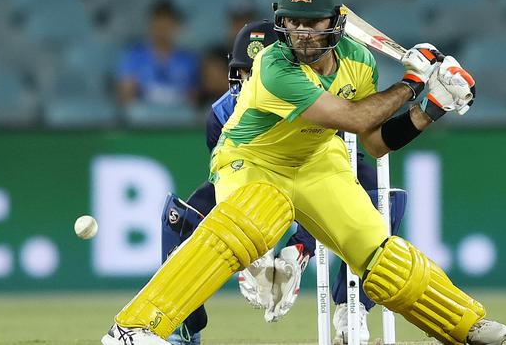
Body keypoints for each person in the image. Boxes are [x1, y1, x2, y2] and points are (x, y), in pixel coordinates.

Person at [101, 0, 506, 345]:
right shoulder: (273, 66)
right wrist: (413, 82)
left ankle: (464, 325)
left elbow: (375, 142)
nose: (300, 31)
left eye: (311, 22)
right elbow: (352, 117)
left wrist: (431, 107)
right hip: (252, 158)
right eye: (293, 21)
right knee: (258, 216)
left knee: (377, 252)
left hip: (318, 160)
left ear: (335, 22)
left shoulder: (360, 63)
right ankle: (135, 328)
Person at [159, 19, 407, 345]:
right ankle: (183, 330)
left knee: (384, 199)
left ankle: (352, 310)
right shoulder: (222, 114)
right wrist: (255, 259)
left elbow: (339, 186)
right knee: (179, 218)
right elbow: (229, 184)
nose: (252, 85)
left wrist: (300, 246)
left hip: (314, 178)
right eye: (245, 75)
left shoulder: (323, 102)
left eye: (258, 75)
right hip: (258, 184)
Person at [117, 0, 201, 107]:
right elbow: (126, 98)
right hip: (144, 118)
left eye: (166, 26)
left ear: (176, 27)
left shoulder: (189, 60)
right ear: (150, 25)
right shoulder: (133, 57)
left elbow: (193, 100)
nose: (162, 31)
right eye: (158, 25)